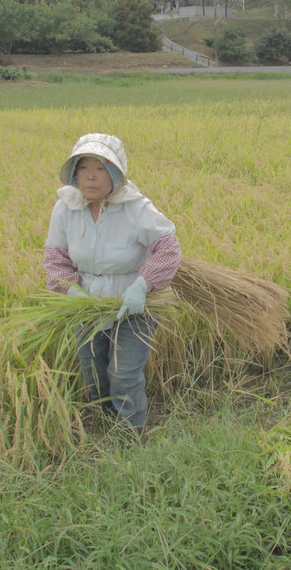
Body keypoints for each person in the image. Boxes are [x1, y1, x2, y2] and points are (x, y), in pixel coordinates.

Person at [43, 133, 181, 432]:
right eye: (83, 167)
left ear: (116, 173)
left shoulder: (137, 208)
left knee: (123, 375)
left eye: (101, 167)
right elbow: (56, 258)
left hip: (134, 305)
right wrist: (72, 291)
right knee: (94, 373)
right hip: (87, 304)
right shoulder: (65, 208)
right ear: (74, 172)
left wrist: (142, 286)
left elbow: (168, 248)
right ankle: (109, 424)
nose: (91, 176)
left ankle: (131, 436)